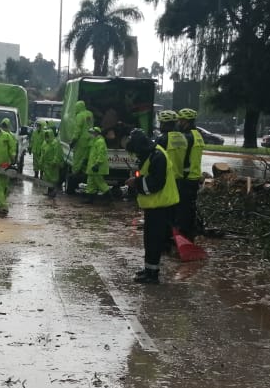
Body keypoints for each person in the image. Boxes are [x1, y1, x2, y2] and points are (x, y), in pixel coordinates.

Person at [124, 128, 178, 284]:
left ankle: (152, 275)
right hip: (153, 205)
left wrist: (136, 183)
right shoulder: (149, 153)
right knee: (149, 239)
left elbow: (155, 184)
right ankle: (148, 269)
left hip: (161, 205)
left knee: (154, 240)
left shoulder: (158, 156)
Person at [165, 108, 205, 239]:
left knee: (182, 210)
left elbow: (182, 158)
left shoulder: (187, 137)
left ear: (186, 121)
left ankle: (181, 236)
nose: (179, 123)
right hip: (194, 176)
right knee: (189, 209)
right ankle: (189, 234)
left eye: (181, 120)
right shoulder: (198, 135)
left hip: (186, 177)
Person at [83, 126, 111, 203]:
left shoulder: (100, 141)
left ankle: (109, 197)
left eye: (92, 133)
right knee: (91, 183)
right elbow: (92, 154)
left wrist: (97, 164)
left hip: (97, 167)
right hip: (93, 167)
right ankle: (90, 199)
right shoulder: (95, 141)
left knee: (100, 182)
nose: (91, 134)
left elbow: (101, 154)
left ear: (96, 133)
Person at [70, 100, 93, 177]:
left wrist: (74, 140)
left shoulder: (79, 115)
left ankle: (74, 174)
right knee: (85, 158)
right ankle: (86, 173)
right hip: (90, 139)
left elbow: (78, 129)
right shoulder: (90, 114)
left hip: (81, 141)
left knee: (77, 158)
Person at [41, 126, 63, 198]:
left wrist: (55, 162)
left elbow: (57, 154)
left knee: (53, 179)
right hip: (46, 164)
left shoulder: (55, 143)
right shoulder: (45, 143)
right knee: (47, 178)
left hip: (53, 165)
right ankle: (49, 192)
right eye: (45, 135)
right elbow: (43, 152)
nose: (46, 137)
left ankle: (53, 192)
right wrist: (41, 161)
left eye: (47, 135)